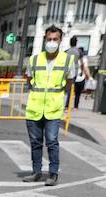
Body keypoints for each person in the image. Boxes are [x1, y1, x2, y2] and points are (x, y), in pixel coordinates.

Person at [22, 26, 72, 187]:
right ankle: (36, 172)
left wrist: (60, 100)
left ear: (60, 40)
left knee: (52, 141)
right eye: (49, 39)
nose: (51, 42)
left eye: (55, 39)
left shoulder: (67, 60)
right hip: (35, 108)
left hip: (53, 108)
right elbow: (29, 80)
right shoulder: (35, 59)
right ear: (45, 40)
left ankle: (53, 174)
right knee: (35, 142)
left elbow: (69, 83)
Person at [66, 36, 91, 110]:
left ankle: (67, 105)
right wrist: (82, 71)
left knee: (69, 89)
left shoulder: (67, 51)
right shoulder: (79, 51)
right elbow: (82, 63)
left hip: (67, 71)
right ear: (76, 43)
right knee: (75, 90)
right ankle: (74, 106)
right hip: (75, 72)